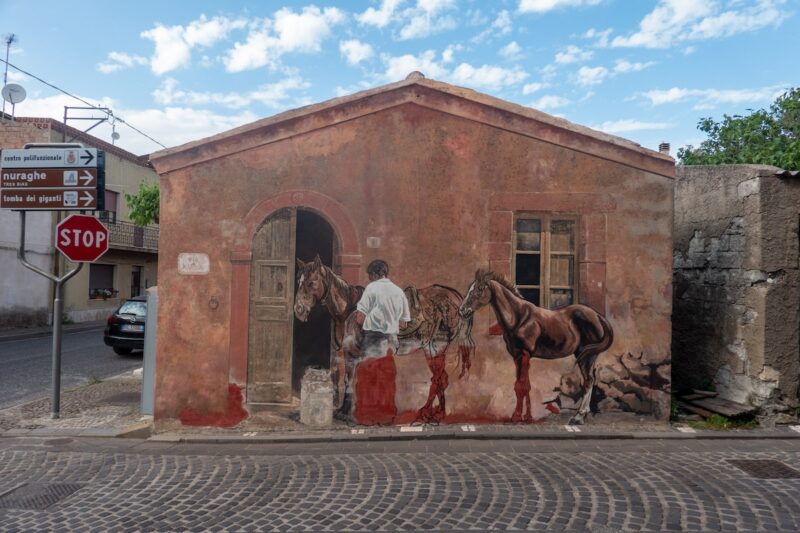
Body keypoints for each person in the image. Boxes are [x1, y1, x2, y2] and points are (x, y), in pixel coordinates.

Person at [355, 259, 411, 357]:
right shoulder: (399, 292)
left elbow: (360, 318)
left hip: (373, 342)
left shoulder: (371, 288)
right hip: (392, 343)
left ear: (374, 274)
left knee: (369, 371)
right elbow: (403, 324)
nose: (369, 279)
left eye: (370, 276)